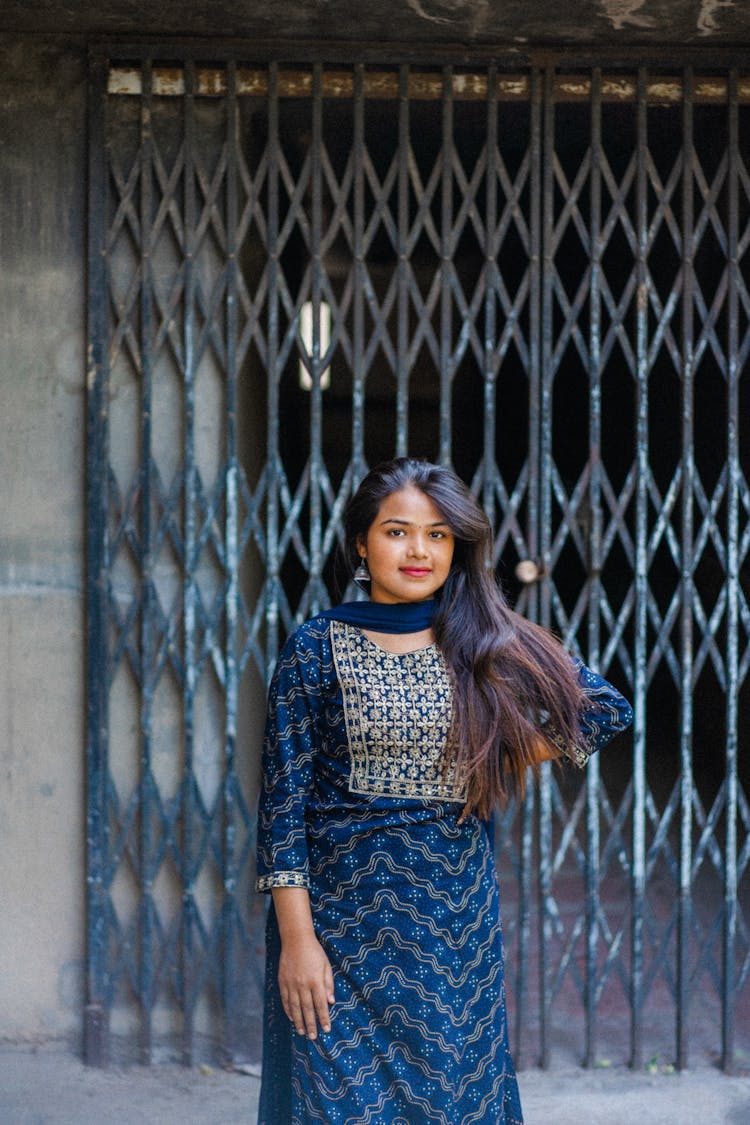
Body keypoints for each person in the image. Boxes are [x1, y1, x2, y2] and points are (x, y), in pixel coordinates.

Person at [255, 457, 633, 1124]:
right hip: (339, 936)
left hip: (450, 939)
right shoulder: (316, 648)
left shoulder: (482, 639)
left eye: (437, 534)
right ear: (361, 544)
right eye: (398, 531)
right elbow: (282, 808)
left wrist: (503, 755)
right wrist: (297, 941)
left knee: (453, 1105)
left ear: (457, 545)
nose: (419, 550)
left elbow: (604, 708)